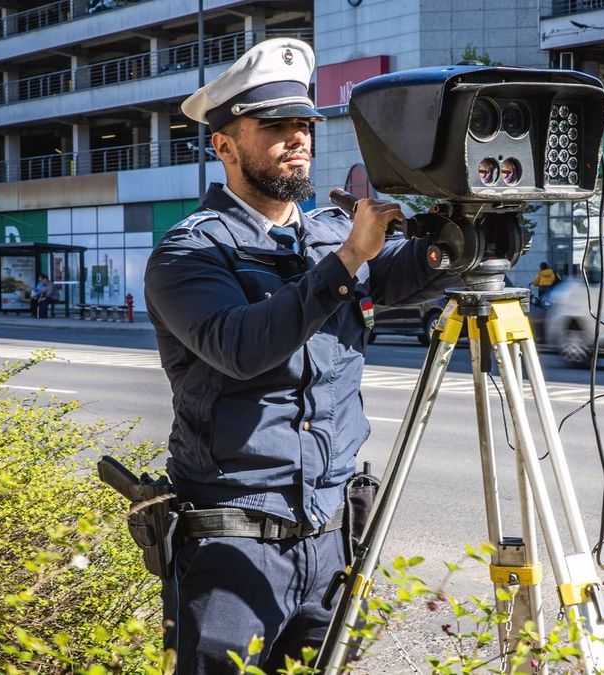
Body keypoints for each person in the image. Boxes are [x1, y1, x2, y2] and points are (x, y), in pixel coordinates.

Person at [142, 38, 454, 673]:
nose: (297, 140)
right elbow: (240, 347)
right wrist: (347, 263)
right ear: (223, 145)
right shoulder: (189, 253)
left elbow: (410, 274)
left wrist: (471, 228)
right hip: (232, 545)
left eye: (304, 126)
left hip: (335, 536)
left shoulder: (333, 232)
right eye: (275, 127)